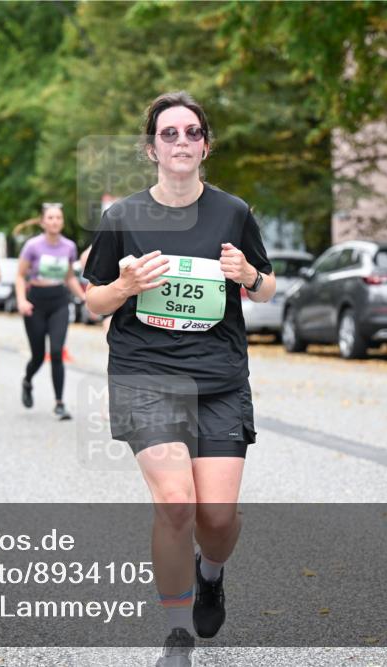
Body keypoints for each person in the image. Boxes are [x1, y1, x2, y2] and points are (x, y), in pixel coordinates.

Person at [82, 91, 276, 667]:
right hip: (146, 373)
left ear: (206, 145)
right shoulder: (122, 218)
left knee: (216, 518)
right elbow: (93, 300)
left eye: (192, 133)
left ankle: (210, 574)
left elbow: (268, 285)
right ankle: (176, 633)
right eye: (170, 134)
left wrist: (247, 275)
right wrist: (126, 288)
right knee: (175, 502)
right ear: (151, 149)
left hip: (218, 379)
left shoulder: (233, 212)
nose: (182, 142)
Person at [16, 203, 83, 420]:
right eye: (50, 218)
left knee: (56, 351)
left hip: (59, 302)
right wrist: (21, 301)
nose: (55, 221)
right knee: (37, 355)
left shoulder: (69, 247)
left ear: (62, 222)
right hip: (36, 302)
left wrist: (84, 297)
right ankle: (27, 381)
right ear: (43, 222)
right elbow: (19, 276)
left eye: (58, 218)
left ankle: (59, 403)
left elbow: (69, 276)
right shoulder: (32, 246)